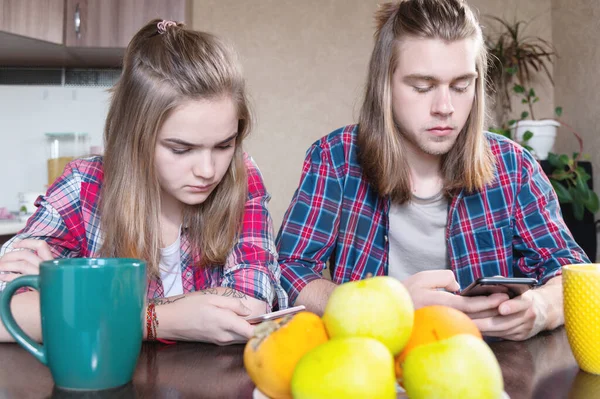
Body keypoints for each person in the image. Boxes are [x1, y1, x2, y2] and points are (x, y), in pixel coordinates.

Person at [276, 0, 588, 341]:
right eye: (422, 87)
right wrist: (382, 304)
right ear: (385, 84)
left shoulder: (514, 167)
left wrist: (542, 307)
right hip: (372, 364)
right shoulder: (335, 158)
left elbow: (572, 272)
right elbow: (288, 270)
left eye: (461, 86)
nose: (445, 108)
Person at [0, 19, 287, 345]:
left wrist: (75, 301)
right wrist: (156, 319)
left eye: (225, 145)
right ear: (134, 136)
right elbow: (6, 312)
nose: (208, 170)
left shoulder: (242, 176)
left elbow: (249, 305)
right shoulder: (83, 186)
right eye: (181, 148)